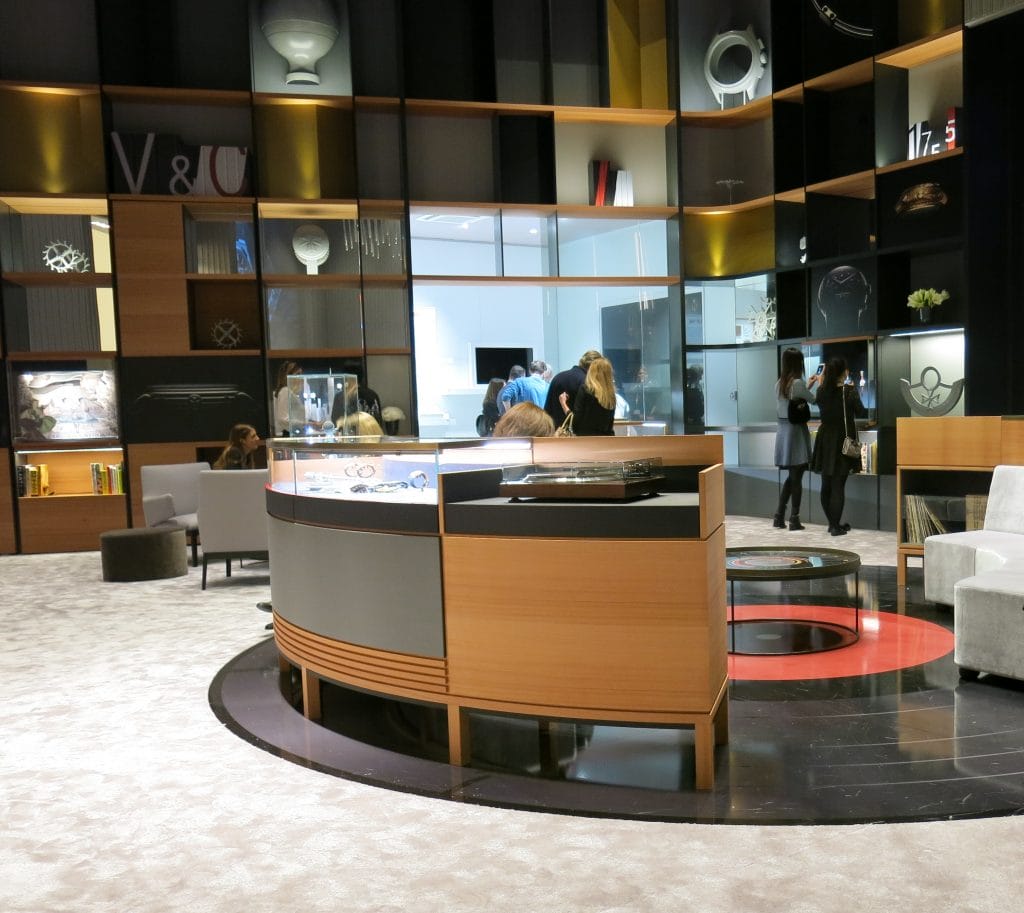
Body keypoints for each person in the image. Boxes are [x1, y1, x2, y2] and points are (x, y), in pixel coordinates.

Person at [810, 356, 868, 536]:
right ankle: (835, 526)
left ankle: (832, 523)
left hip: (824, 439)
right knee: (838, 485)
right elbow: (861, 411)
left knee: (826, 484)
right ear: (843, 372)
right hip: (842, 439)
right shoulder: (848, 391)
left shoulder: (821, 391)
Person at [773, 347, 820, 531]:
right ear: (798, 363)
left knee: (793, 476)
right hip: (796, 432)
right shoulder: (798, 383)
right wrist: (820, 383)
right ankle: (794, 519)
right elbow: (813, 400)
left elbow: (794, 397)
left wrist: (808, 385)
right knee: (797, 476)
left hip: (783, 431)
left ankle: (779, 516)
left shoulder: (779, 383)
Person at [543, 349, 602, 427]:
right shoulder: (587, 383)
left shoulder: (558, 377)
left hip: (556, 431)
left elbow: (547, 410)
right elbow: (588, 417)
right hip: (577, 432)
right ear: (595, 367)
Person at [559, 356, 616, 436]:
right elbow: (610, 426)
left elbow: (575, 422)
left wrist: (563, 403)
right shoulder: (611, 396)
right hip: (605, 440)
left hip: (586, 439)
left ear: (592, 372)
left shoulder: (586, 390)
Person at [273, 361, 301, 436]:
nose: (300, 377)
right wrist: (305, 424)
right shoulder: (285, 391)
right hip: (290, 433)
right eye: (298, 374)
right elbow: (283, 418)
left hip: (293, 432)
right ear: (288, 376)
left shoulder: (288, 392)